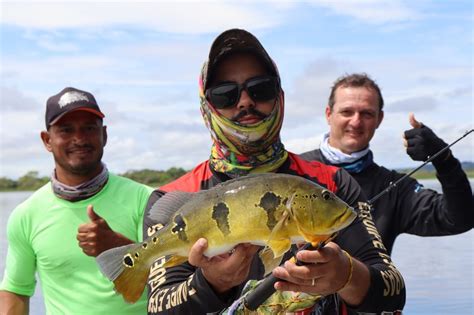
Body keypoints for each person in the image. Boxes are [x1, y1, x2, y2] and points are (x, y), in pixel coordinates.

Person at [143, 29, 405, 315]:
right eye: (225, 94)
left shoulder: (331, 184)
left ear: (279, 96)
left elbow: (393, 288)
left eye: (260, 88)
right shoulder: (171, 197)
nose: (244, 102)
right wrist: (210, 283)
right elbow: (158, 307)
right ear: (206, 106)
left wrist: (348, 275)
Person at [0, 87, 152, 314]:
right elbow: (16, 291)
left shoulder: (147, 199)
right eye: (66, 130)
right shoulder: (26, 215)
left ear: (105, 135)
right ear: (47, 140)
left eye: (89, 128)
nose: (79, 139)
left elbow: (175, 280)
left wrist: (117, 247)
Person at [300, 73, 473, 254]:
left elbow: (459, 220)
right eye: (346, 112)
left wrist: (444, 160)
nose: (356, 121)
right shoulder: (291, 169)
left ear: (379, 119)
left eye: (366, 113)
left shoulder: (396, 188)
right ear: (329, 114)